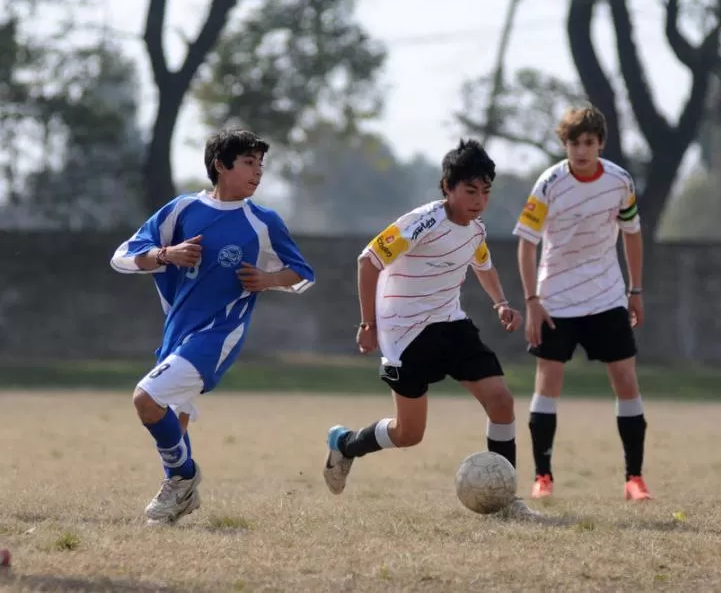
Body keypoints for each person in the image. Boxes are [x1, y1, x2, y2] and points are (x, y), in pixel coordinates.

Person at [323, 139, 539, 519]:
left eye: (485, 191)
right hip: (404, 335)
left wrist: (501, 303)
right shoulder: (422, 222)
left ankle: (503, 500)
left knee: (502, 402)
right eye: (470, 190)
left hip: (450, 323)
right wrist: (368, 323)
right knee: (410, 434)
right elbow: (368, 260)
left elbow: (483, 264)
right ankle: (346, 444)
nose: (478, 200)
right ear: (447, 187)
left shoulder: (475, 230)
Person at [110, 129, 315, 524]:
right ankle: (178, 497)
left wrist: (268, 280)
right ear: (221, 165)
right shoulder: (182, 211)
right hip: (177, 333)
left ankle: (183, 478)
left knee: (145, 399)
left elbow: (304, 274)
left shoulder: (263, 221)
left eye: (261, 165)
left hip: (219, 334)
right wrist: (166, 254)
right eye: (248, 163)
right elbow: (123, 256)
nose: (257, 173)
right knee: (174, 418)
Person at [513, 104, 652, 501]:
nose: (581, 150)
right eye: (574, 142)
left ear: (600, 144)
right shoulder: (548, 184)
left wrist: (636, 290)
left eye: (589, 142)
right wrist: (532, 299)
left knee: (626, 380)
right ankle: (543, 477)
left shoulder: (620, 182)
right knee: (548, 381)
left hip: (607, 296)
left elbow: (632, 233)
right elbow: (526, 243)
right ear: (566, 144)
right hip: (555, 297)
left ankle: (634, 479)